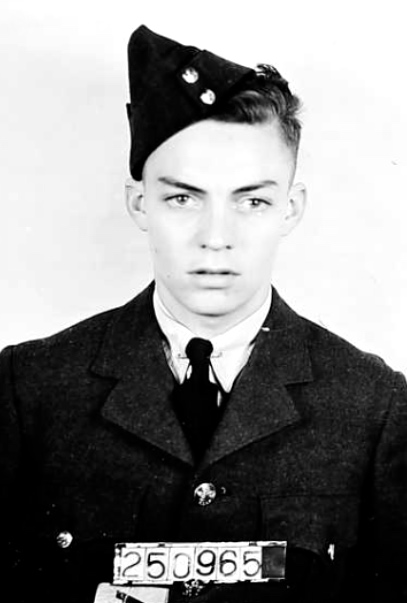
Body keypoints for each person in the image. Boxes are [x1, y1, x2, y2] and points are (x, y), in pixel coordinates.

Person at [1, 24, 406, 603]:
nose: (216, 238)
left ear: (291, 210)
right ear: (139, 202)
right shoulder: (31, 389)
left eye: (253, 200)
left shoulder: (373, 405)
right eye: (183, 198)